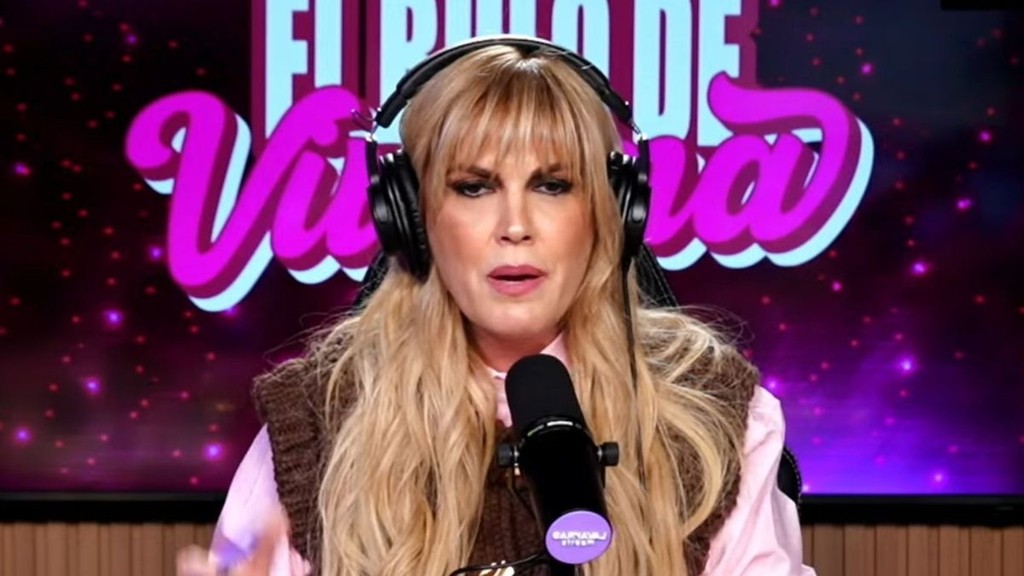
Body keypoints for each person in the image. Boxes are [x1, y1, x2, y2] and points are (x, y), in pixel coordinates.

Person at [178, 35, 816, 576]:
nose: (515, 226)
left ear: (610, 211)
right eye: (475, 187)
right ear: (414, 216)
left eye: (552, 185)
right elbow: (240, 560)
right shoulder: (315, 422)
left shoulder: (716, 419)